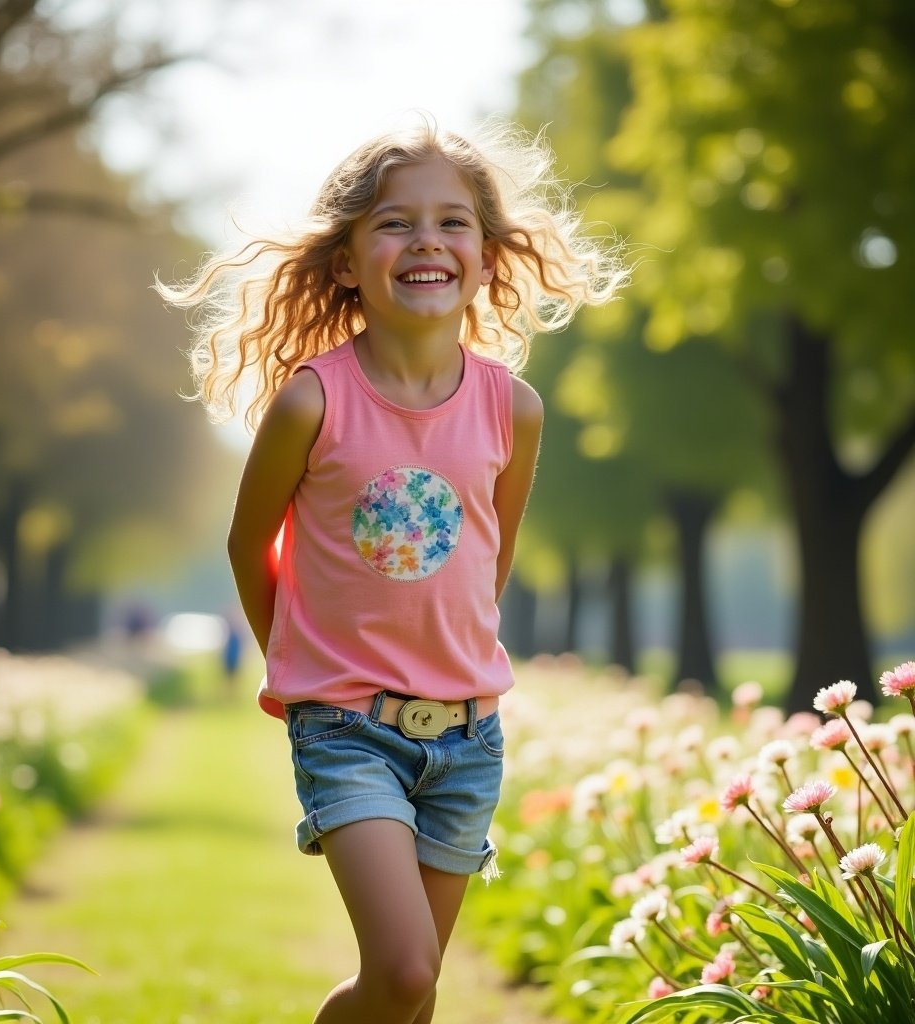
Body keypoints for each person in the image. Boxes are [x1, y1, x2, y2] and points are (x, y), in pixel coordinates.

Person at [158, 116, 624, 1024]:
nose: (427, 242)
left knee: (413, 998)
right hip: (346, 729)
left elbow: (493, 552)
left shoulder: (513, 410)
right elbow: (249, 545)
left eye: (454, 223)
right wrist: (299, 673)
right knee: (405, 972)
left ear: (486, 257)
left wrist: (454, 660)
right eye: (394, 222)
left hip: (468, 740)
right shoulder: (311, 400)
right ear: (346, 261)